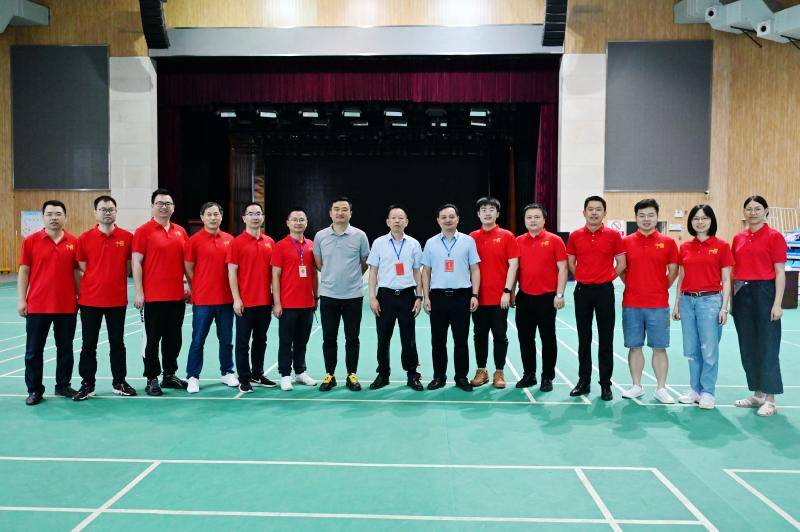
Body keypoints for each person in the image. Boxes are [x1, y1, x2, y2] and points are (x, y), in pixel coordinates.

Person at [73, 195, 136, 401]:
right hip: (90, 300)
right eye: (103, 209)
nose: (107, 212)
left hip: (116, 300)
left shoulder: (127, 237)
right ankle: (87, 384)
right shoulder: (84, 238)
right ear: (95, 213)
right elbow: (83, 266)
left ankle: (119, 382)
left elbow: (128, 267)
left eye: (110, 209)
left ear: (116, 212)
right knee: (88, 345)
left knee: (117, 343)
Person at [18, 200, 80, 405]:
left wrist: (80, 297)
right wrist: (22, 300)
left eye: (58, 214)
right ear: (43, 217)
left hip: (66, 306)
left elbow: (76, 273)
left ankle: (63, 385)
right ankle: (35, 390)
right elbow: (24, 271)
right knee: (34, 351)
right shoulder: (31, 241)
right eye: (50, 214)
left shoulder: (74, 242)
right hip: (38, 306)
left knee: (66, 349)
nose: (54, 218)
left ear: (65, 217)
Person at [672, 204, 733, 410]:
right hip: (687, 301)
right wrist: (677, 303)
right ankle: (695, 389)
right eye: (696, 218)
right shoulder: (685, 247)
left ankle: (708, 392)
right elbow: (682, 277)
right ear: (691, 222)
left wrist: (724, 307)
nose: (700, 222)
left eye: (704, 218)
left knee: (709, 349)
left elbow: (727, 279)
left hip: (710, 301)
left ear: (711, 221)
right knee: (691, 349)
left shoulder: (722, 246)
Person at [731, 195, 787, 417]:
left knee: (768, 346)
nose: (752, 213)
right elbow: (734, 270)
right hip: (742, 293)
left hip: (765, 293)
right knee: (748, 346)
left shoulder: (775, 236)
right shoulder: (738, 238)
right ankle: (757, 394)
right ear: (744, 212)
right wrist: (732, 301)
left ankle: (770, 399)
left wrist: (777, 303)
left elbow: (780, 272)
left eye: (757, 209)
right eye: (749, 209)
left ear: (766, 211)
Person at [566, 196, 626, 401]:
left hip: (605, 292)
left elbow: (622, 263)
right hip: (582, 291)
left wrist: (607, 278)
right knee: (584, 338)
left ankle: (605, 384)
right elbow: (571, 262)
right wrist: (583, 276)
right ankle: (584, 381)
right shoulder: (575, 236)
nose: (594, 213)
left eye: (598, 209)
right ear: (584, 212)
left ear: (604, 213)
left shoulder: (613, 236)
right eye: (590, 209)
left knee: (606, 339)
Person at [619, 198, 679, 404]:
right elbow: (622, 270)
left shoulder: (668, 242)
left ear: (657, 217)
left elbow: (673, 271)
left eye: (650, 215)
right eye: (642, 215)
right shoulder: (625, 242)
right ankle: (636, 386)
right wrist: (633, 285)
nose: (646, 219)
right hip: (631, 304)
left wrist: (660, 287)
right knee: (634, 347)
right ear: (636, 217)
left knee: (659, 348)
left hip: (658, 305)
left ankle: (661, 388)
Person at [133, 189, 189, 396]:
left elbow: (187, 263)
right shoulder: (143, 231)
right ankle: (152, 378)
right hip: (153, 297)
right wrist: (139, 292)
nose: (164, 206)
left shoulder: (180, 231)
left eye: (168, 203)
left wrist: (189, 285)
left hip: (177, 296)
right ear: (152, 206)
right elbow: (136, 263)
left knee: (174, 339)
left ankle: (169, 375)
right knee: (152, 340)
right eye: (160, 203)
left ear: (173, 208)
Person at [313, 197, 370, 392]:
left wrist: (350, 279)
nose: (340, 212)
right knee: (329, 338)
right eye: (336, 209)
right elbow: (319, 263)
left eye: (344, 209)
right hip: (328, 296)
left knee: (352, 338)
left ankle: (351, 375)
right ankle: (330, 375)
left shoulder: (360, 236)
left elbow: (364, 263)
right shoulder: (320, 236)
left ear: (350, 214)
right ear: (330, 213)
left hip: (353, 296)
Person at [421, 204, 481, 391]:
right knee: (438, 341)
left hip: (461, 297)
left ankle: (461, 377)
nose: (448, 220)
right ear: (438, 220)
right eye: (444, 217)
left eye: (451, 216)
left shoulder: (468, 241)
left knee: (461, 340)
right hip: (438, 297)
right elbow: (426, 272)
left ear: (458, 219)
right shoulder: (430, 243)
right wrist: (426, 297)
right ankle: (439, 377)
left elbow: (475, 269)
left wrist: (475, 294)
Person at [366, 205, 424, 391]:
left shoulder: (414, 244)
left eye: (401, 218)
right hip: (385, 296)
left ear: (406, 222)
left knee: (409, 338)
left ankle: (412, 374)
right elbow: (373, 271)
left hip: (407, 296)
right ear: (388, 222)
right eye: (394, 218)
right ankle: (383, 374)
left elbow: (417, 272)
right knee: (383, 338)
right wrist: (372, 297)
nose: (397, 221)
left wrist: (419, 297)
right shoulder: (379, 243)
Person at [184, 202, 238, 394]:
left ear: (221, 217)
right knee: (198, 340)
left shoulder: (230, 240)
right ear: (202, 217)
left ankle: (227, 372)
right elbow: (189, 269)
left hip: (226, 300)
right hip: (203, 301)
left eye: (216, 214)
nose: (213, 218)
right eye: (209, 214)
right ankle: (192, 376)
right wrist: (199, 287)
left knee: (226, 340)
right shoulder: (193, 241)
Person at [513, 203, 568, 391]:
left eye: (537, 217)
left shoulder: (555, 240)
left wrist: (559, 294)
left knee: (548, 339)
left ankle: (547, 377)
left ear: (544, 220)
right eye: (529, 217)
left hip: (547, 298)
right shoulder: (518, 241)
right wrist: (511, 292)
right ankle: (529, 375)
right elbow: (514, 269)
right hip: (524, 297)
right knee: (525, 338)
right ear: (524, 220)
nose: (533, 220)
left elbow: (563, 268)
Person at [469, 197, 519, 389]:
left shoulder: (507, 236)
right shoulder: (472, 237)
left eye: (491, 209)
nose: (487, 213)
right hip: (477, 297)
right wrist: (472, 294)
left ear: (497, 214)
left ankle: (499, 372)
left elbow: (513, 265)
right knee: (479, 334)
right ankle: (481, 370)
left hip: (500, 297)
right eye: (483, 210)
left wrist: (507, 291)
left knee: (500, 334)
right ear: (478, 214)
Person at [227, 202, 277, 393]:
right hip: (245, 303)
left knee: (260, 341)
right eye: (251, 214)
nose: (255, 217)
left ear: (262, 217)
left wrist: (275, 299)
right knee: (242, 343)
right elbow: (232, 272)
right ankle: (244, 378)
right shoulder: (236, 242)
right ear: (244, 218)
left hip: (264, 302)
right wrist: (236, 299)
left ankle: (257, 374)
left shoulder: (270, 242)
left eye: (258, 213)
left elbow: (274, 274)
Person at [271, 207, 318, 391]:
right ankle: (285, 374)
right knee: (286, 341)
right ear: (288, 223)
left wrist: (316, 296)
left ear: (306, 223)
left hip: (307, 303)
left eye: (301, 219)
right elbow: (275, 276)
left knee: (302, 341)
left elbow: (314, 273)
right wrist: (277, 303)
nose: (298, 223)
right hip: (287, 304)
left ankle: (300, 372)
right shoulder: (280, 246)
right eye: (295, 219)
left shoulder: (311, 245)